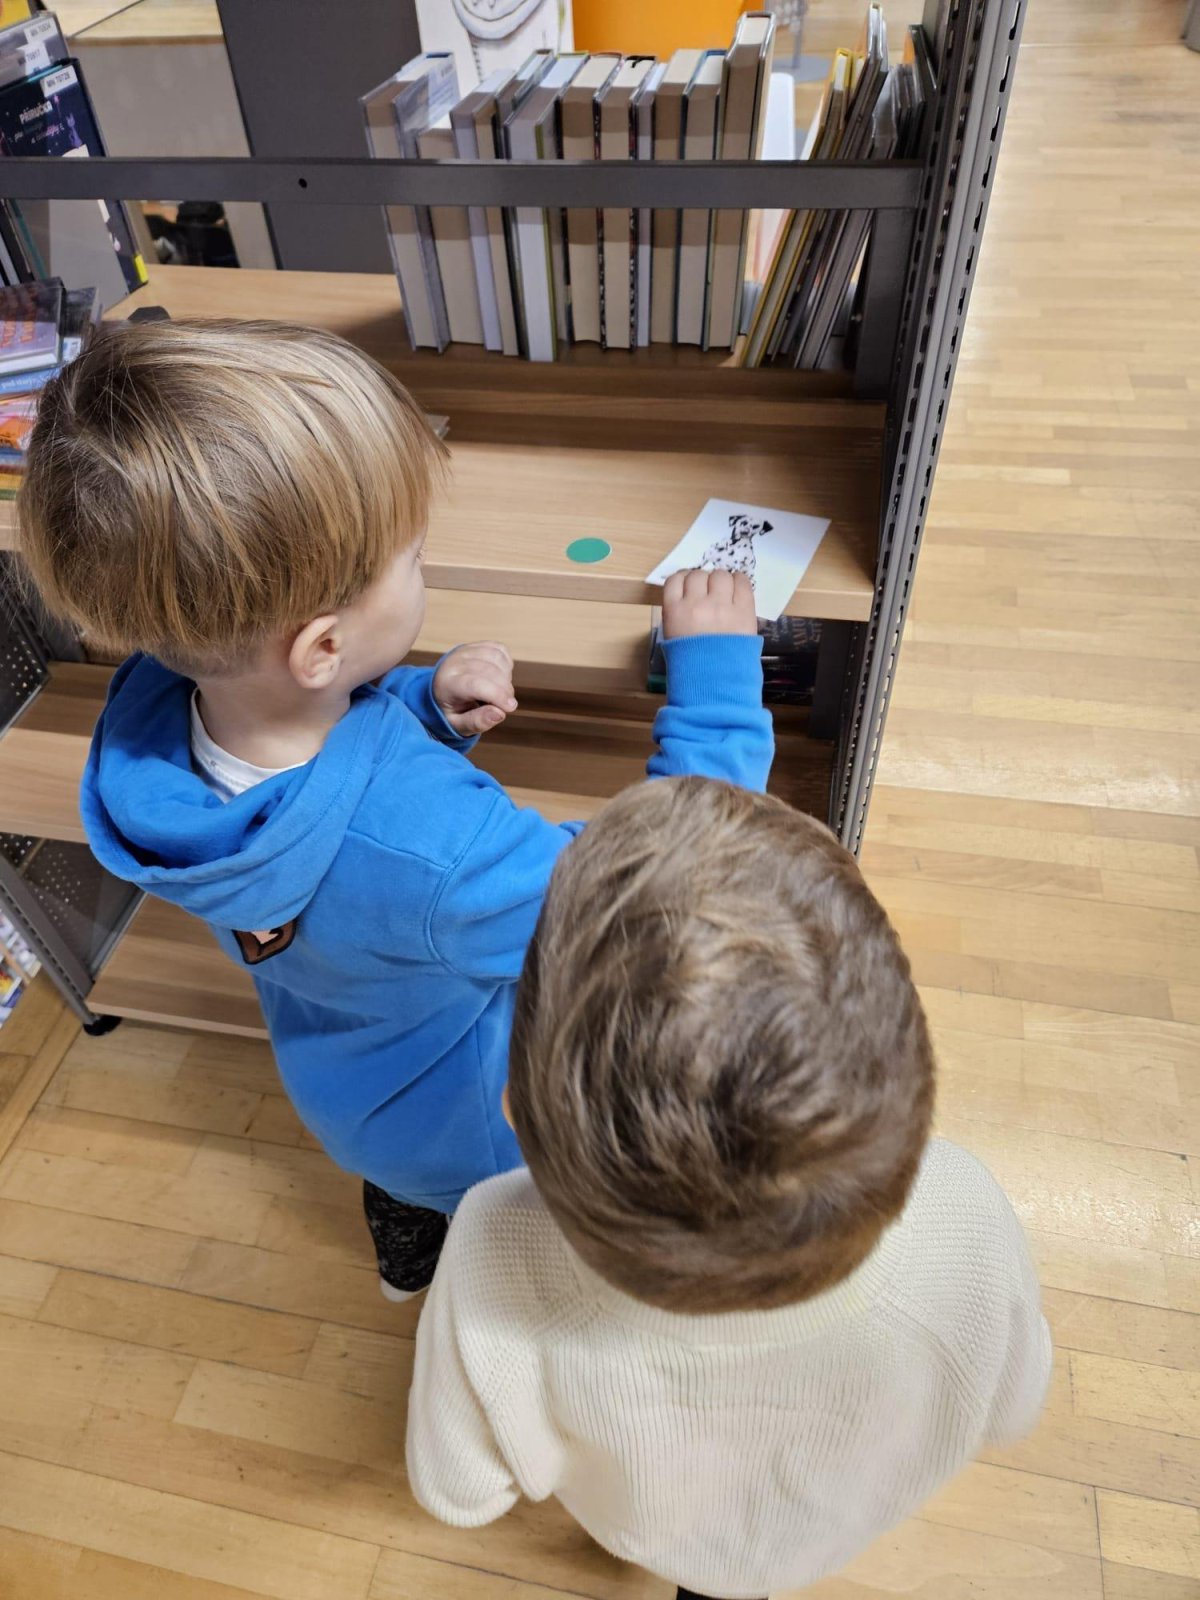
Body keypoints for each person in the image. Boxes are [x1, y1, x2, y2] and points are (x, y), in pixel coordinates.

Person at [17, 318, 774, 1298]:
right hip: (481, 1124)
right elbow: (653, 892)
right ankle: (479, 1274)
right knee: (515, 1222)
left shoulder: (155, 728)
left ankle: (405, 1256)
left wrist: (423, 707)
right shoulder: (436, 850)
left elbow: (314, 766)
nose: (424, 569)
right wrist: (715, 684)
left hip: (352, 1091)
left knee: (406, 1189)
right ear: (323, 649)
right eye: (414, 559)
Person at [406, 778, 1052, 1600]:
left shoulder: (497, 1242)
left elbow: (461, 1486)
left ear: (512, 1107)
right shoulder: (964, 1212)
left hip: (644, 1526)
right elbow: (1013, 1406)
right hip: (829, 1530)